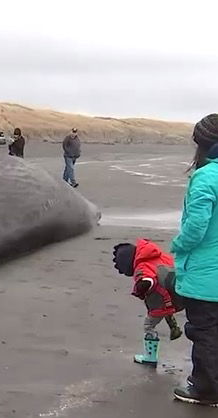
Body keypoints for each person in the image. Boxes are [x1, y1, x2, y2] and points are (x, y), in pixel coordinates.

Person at [171, 114, 218, 406]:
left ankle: (207, 388)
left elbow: (196, 226)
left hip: (207, 276)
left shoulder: (207, 177)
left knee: (204, 332)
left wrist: (179, 245)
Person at [112, 239, 183, 367]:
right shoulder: (159, 256)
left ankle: (149, 357)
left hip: (161, 299)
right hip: (177, 294)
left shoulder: (141, 267)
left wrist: (139, 289)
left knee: (149, 325)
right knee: (166, 309)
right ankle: (174, 328)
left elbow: (148, 281)